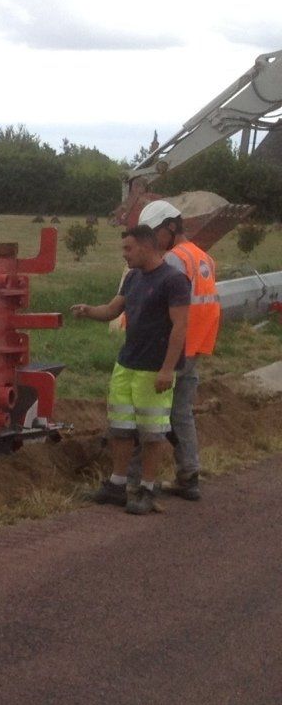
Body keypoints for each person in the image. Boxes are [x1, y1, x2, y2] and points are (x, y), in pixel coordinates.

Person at [70, 224, 190, 515]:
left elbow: (180, 327)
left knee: (152, 432)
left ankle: (149, 489)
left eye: (128, 248)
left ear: (146, 247)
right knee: (120, 428)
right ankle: (117, 485)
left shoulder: (174, 281)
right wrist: (88, 311)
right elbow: (113, 310)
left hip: (154, 370)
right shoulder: (133, 278)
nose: (124, 254)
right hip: (127, 365)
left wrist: (167, 369)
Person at [131, 200, 219, 498]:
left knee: (150, 411)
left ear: (170, 227)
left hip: (174, 349)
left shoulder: (174, 260)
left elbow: (166, 310)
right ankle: (189, 475)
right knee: (181, 412)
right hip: (195, 346)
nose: (152, 241)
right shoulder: (202, 257)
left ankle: (135, 477)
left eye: (155, 233)